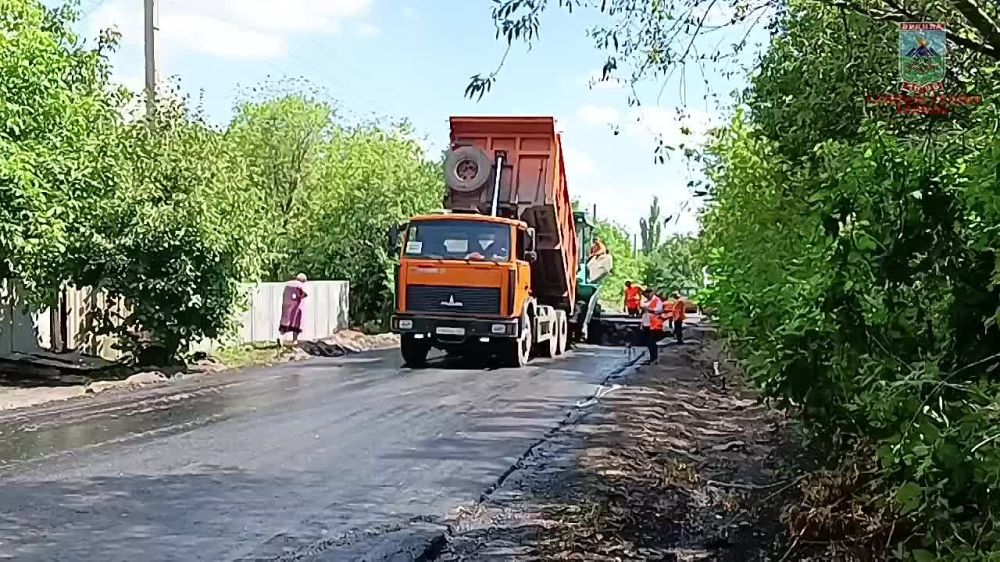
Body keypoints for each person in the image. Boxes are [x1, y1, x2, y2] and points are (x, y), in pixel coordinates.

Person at [278, 273, 308, 346]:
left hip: (286, 307)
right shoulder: (300, 285)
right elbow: (303, 295)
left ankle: (281, 337)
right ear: (303, 280)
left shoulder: (287, 284)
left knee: (285, 323)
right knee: (296, 324)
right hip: (296, 308)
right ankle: (295, 340)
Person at [640, 288, 664, 365]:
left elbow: (658, 311)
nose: (645, 296)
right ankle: (651, 358)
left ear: (650, 293)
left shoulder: (657, 300)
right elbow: (643, 314)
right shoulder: (646, 301)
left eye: (646, 294)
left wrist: (648, 309)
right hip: (646, 324)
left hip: (653, 324)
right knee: (648, 342)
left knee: (652, 341)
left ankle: (654, 358)